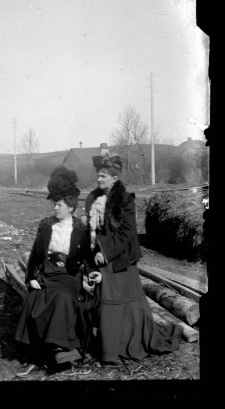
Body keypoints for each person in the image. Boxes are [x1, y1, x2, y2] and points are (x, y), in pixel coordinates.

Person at [84, 154, 182, 364]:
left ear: (114, 178)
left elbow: (127, 232)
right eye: (98, 175)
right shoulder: (93, 198)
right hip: (99, 257)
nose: (99, 179)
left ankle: (128, 342)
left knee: (125, 303)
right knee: (105, 302)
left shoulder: (125, 199)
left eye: (103, 176)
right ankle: (110, 347)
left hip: (120, 257)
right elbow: (91, 229)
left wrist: (106, 252)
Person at [14, 166, 100, 377]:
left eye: (59, 205)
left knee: (62, 298)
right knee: (34, 298)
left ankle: (63, 355)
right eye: (54, 205)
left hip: (69, 276)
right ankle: (37, 356)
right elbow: (35, 253)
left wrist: (91, 272)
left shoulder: (80, 229)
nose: (55, 209)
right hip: (47, 272)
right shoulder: (46, 225)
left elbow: (89, 257)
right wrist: (32, 276)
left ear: (70, 207)